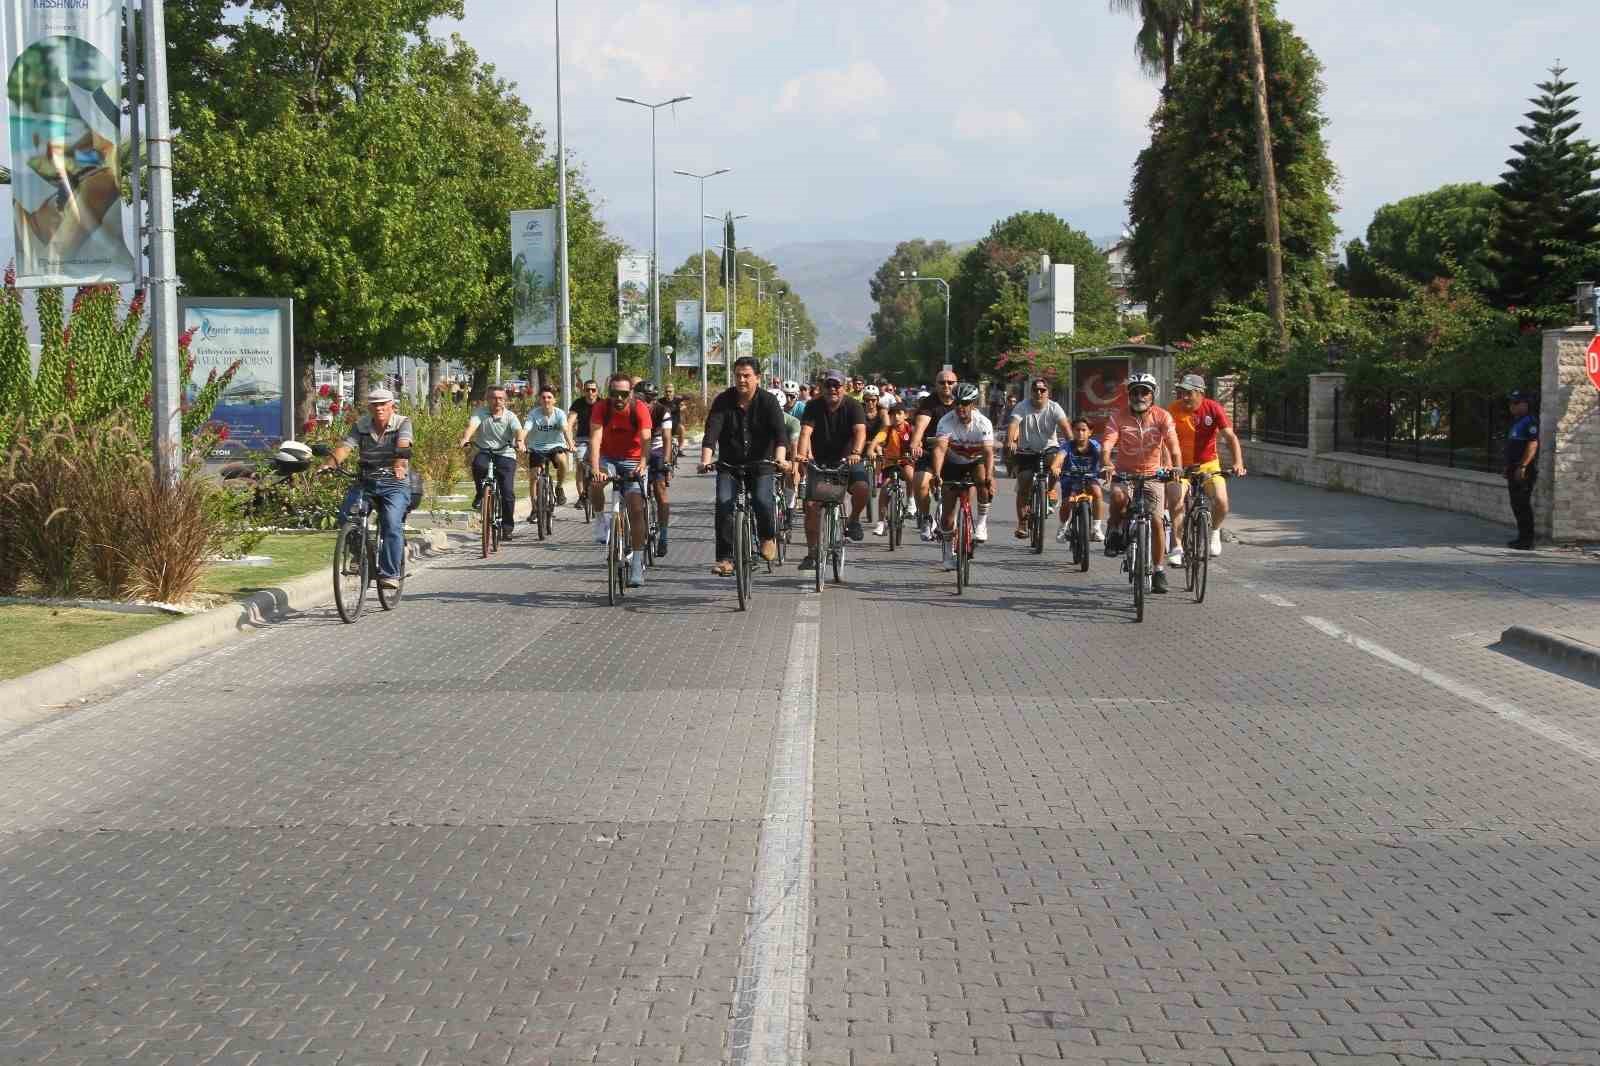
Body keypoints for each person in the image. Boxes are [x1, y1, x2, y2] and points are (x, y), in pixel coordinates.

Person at [700, 357, 791, 576]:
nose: (742, 380)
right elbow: (711, 433)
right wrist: (705, 460)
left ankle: (768, 537)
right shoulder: (723, 400)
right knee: (723, 504)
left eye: (747, 375)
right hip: (729, 464)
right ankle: (725, 558)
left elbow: (780, 435)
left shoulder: (768, 401)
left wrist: (780, 459)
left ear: (757, 378)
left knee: (762, 500)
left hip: (761, 464)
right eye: (738, 375)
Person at [321, 387, 413, 591]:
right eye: (375, 404)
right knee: (347, 515)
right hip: (366, 480)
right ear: (370, 407)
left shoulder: (402, 422)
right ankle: (358, 554)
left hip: (394, 483)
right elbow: (346, 446)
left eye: (383, 404)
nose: (379, 408)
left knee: (391, 522)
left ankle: (390, 574)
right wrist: (330, 464)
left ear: (392, 406)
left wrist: (399, 464)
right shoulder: (361, 425)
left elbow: (404, 443)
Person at [1099, 372, 1182, 594]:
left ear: (1152, 394)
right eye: (1135, 392)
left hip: (1154, 475)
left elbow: (1173, 445)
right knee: (1117, 497)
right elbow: (1107, 445)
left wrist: (1176, 467)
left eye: (1144, 391)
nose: (1139, 396)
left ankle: (1158, 570)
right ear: (1129, 395)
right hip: (1125, 473)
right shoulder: (1118, 416)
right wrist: (1107, 463)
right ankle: (1115, 529)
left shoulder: (1163, 416)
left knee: (1156, 519)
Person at [1165, 373, 1245, 564]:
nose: (1184, 397)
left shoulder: (1213, 408)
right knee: (1175, 499)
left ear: (1200, 393)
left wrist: (1238, 463)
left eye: (1189, 393)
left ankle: (1215, 531)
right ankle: (1176, 547)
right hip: (1181, 466)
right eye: (1181, 392)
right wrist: (1169, 465)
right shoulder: (1172, 410)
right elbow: (1163, 440)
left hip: (1208, 464)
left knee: (1221, 501)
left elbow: (1230, 437)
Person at [795, 369, 869, 569]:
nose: (832, 389)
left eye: (837, 385)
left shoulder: (853, 406)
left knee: (863, 488)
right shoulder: (812, 406)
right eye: (828, 385)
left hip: (848, 460)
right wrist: (801, 456)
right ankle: (812, 553)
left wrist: (855, 452)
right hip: (821, 461)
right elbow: (805, 433)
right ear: (822, 388)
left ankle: (853, 520)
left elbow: (860, 431)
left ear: (845, 388)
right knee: (811, 506)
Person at [588, 372, 652, 588]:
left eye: (624, 394)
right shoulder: (601, 408)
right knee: (595, 484)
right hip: (609, 458)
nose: (619, 398)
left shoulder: (639, 408)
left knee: (635, 507)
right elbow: (595, 439)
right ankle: (600, 521)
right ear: (609, 393)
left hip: (633, 459)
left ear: (631, 393)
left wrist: (643, 463)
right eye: (614, 393)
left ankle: (636, 562)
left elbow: (646, 439)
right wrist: (596, 468)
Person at [931, 383, 997, 569]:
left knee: (983, 480)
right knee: (948, 516)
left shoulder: (983, 422)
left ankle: (982, 524)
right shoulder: (946, 421)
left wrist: (990, 476)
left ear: (973, 404)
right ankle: (946, 554)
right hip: (952, 464)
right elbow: (940, 448)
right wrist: (936, 473)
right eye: (957, 403)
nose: (960, 407)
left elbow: (988, 452)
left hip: (974, 462)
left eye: (965, 403)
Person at [1005, 377, 1071, 539]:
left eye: (1043, 390)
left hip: (1049, 449)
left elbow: (1066, 428)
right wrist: (1010, 441)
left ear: (1048, 392)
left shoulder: (1055, 408)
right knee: (1024, 481)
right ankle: (1022, 523)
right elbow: (1013, 424)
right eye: (1035, 390)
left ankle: (1049, 491)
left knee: (1055, 466)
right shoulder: (1022, 406)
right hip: (1026, 451)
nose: (1039, 393)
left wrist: (1073, 446)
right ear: (1031, 392)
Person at [458, 385, 526, 538]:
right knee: (478, 465)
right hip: (485, 451)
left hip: (506, 453)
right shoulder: (480, 413)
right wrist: (466, 438)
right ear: (487, 399)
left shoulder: (510, 416)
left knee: (507, 492)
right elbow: (472, 426)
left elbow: (518, 430)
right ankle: (480, 494)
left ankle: (507, 526)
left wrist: (520, 441)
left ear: (505, 401)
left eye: (500, 398)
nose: (497, 401)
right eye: (493, 398)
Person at [909, 371, 958, 540]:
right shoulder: (928, 403)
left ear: (956, 384)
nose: (946, 386)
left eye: (950, 382)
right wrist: (915, 443)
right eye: (942, 382)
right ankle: (925, 518)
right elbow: (921, 425)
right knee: (920, 482)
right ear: (936, 384)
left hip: (955, 452)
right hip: (930, 450)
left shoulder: (962, 402)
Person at [524, 384, 576, 519]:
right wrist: (520, 442)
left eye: (549, 397)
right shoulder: (533, 414)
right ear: (539, 400)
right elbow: (526, 429)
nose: (546, 400)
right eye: (543, 397)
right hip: (537, 447)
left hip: (555, 445)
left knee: (562, 460)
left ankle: (559, 487)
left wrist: (571, 444)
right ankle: (535, 508)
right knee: (534, 476)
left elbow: (565, 430)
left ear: (554, 400)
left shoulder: (559, 413)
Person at [639, 380, 676, 557]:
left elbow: (668, 439)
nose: (647, 403)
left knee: (660, 490)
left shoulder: (663, 411)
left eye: (651, 399)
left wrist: (667, 463)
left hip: (657, 449)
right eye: (644, 399)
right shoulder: (633, 410)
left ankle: (664, 535)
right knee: (637, 493)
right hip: (638, 450)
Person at [1057, 415, 1107, 542]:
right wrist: (1055, 467)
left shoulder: (1095, 446)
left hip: (1090, 478)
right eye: (1077, 430)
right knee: (1067, 502)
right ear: (1072, 431)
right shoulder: (1067, 445)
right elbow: (1060, 457)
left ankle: (1096, 528)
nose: (1080, 433)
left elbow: (1103, 458)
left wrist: (1106, 467)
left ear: (1090, 432)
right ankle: (1063, 528)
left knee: (1097, 491)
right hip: (1070, 479)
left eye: (1084, 430)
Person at [868, 403, 914, 536]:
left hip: (906, 461)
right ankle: (881, 522)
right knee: (884, 489)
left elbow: (918, 441)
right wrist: (871, 450)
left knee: (910, 475)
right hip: (890, 463)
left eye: (899, 413)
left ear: (906, 415)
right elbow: (876, 440)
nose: (896, 417)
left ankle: (911, 501)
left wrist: (917, 449)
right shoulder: (886, 430)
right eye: (893, 414)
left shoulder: (909, 429)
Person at [1505, 389, 1539, 550]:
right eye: (1511, 402)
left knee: (1522, 503)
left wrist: (1523, 466)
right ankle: (1522, 537)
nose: (1512, 406)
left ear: (1525, 404)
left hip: (1524, 469)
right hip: (1514, 468)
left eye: (1516, 403)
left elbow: (1532, 444)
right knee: (1516, 504)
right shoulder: (1516, 421)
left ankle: (1527, 540)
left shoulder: (1530, 421)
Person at [567, 379, 600, 508]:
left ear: (597, 391)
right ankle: (581, 496)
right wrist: (570, 442)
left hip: (599, 439)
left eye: (593, 390)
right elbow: (569, 423)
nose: (590, 392)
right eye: (587, 390)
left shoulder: (602, 404)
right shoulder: (578, 404)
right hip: (582, 439)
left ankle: (596, 491)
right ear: (584, 391)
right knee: (580, 464)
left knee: (598, 465)